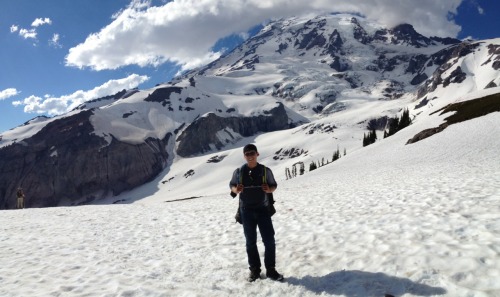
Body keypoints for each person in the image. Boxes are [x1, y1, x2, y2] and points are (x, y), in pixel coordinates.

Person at [229, 144, 284, 282]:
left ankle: (270, 269)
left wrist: (269, 190)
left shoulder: (265, 171)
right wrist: (236, 190)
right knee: (250, 242)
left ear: (257, 154)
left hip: (262, 210)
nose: (250, 156)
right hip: (246, 211)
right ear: (244, 156)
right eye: (247, 154)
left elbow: (274, 185)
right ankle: (255, 270)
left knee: (269, 240)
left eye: (252, 153)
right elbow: (232, 186)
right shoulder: (239, 172)